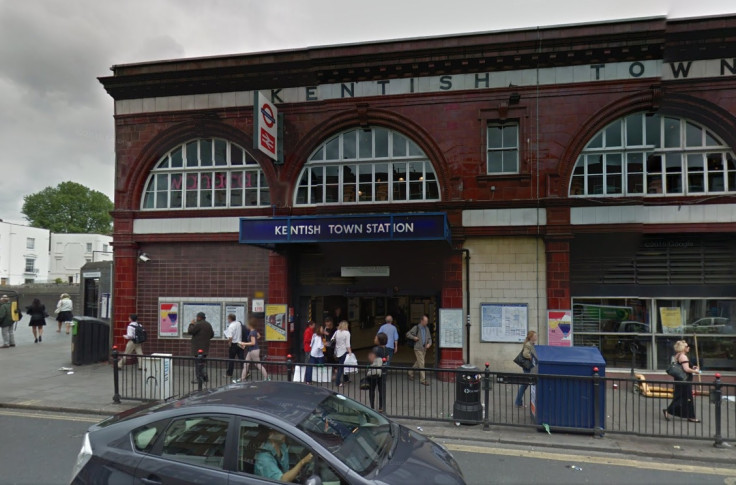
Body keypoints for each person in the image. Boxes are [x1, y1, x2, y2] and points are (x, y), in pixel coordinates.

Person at [664, 340, 701, 423]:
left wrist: (693, 367)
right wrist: (696, 371)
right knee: (685, 398)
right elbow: (686, 369)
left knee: (682, 397)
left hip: (680, 380)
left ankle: (690, 416)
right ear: (683, 348)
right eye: (687, 346)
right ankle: (669, 411)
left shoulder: (678, 355)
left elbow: (685, 366)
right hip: (685, 380)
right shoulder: (683, 356)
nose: (688, 347)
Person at [406, 314, 433, 386]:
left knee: (418, 362)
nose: (427, 322)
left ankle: (410, 372)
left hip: (424, 348)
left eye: (427, 321)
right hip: (418, 348)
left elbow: (430, 338)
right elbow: (408, 334)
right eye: (425, 321)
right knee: (421, 363)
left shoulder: (427, 328)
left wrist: (429, 344)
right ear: (422, 321)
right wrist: (414, 337)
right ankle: (423, 380)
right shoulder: (416, 327)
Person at [188, 312, 214, 383]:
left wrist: (191, 324)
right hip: (205, 347)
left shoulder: (198, 324)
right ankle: (205, 377)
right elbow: (212, 335)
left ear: (199, 317)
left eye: (197, 317)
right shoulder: (208, 324)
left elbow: (190, 331)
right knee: (203, 363)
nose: (196, 318)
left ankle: (199, 379)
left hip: (197, 348)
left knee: (198, 364)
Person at [514, 330, 537, 408]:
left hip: (528, 367)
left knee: (525, 384)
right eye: (535, 336)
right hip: (527, 367)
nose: (536, 337)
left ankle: (518, 402)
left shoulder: (531, 344)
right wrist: (531, 357)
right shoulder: (528, 344)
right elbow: (525, 354)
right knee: (524, 385)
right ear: (531, 337)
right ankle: (518, 402)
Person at [367, 332, 388, 412]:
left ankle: (372, 406)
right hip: (382, 372)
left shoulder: (375, 349)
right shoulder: (386, 349)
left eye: (376, 338)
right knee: (381, 390)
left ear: (379, 340)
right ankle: (381, 407)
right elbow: (387, 359)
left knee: (372, 389)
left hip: (375, 372)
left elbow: (371, 359)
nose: (374, 339)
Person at [224, 314, 245, 380]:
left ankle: (229, 373)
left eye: (228, 318)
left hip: (234, 344)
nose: (227, 320)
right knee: (241, 359)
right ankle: (246, 372)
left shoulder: (231, 326)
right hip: (240, 343)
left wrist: (229, 343)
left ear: (230, 319)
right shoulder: (238, 323)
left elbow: (230, 337)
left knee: (231, 359)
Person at [332, 320, 352, 387]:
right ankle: (338, 382)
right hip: (344, 351)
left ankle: (346, 379)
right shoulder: (347, 333)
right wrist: (350, 352)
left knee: (342, 365)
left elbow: (332, 339)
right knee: (341, 367)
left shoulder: (336, 332)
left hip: (338, 351)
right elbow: (348, 344)